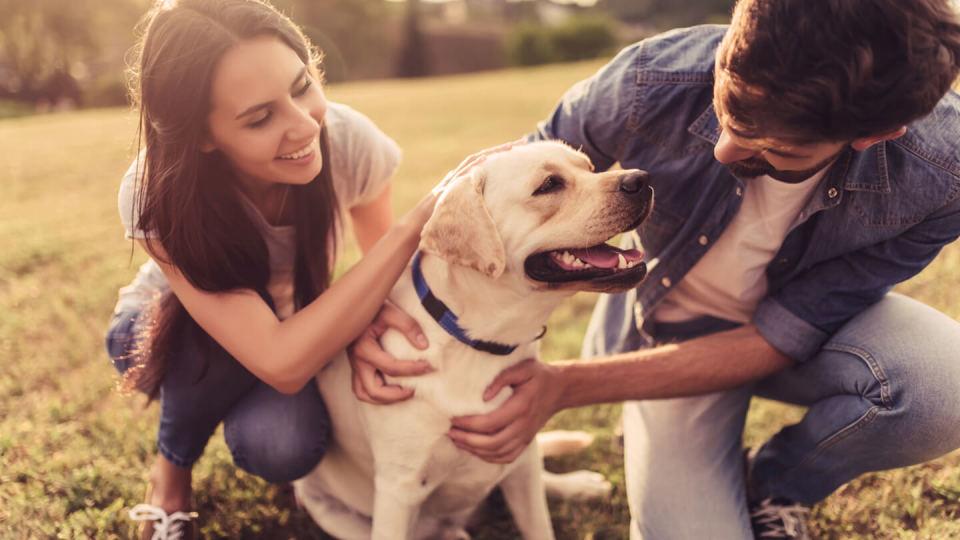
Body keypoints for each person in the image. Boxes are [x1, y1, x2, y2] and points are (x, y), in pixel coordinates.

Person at [349, 0, 960, 538]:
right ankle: (681, 450)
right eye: (727, 109)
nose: (724, 151)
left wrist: (565, 386)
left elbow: (787, 332)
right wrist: (379, 309)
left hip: (802, 338)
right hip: (664, 325)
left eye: (776, 149)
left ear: (875, 133)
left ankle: (774, 483)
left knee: (945, 386)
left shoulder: (943, 174)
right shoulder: (653, 76)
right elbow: (502, 179)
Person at [101, 0, 499, 537]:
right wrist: (417, 222)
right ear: (202, 135)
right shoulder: (157, 193)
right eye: (260, 117)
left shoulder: (348, 138)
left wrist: (365, 333)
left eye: (302, 85)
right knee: (217, 342)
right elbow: (281, 358)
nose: (305, 125)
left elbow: (387, 283)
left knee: (282, 443)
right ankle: (171, 472)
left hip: (285, 328)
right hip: (167, 333)